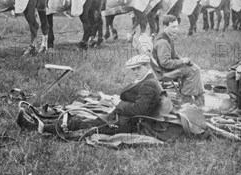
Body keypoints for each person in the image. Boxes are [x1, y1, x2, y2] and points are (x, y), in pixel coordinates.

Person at [18, 54, 164, 135]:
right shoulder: (149, 81)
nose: (136, 72)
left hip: (126, 124)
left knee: (83, 123)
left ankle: (39, 127)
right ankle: (42, 120)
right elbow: (138, 102)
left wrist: (118, 103)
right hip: (123, 118)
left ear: (147, 67)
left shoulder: (149, 85)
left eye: (138, 68)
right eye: (133, 70)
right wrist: (113, 99)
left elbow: (140, 110)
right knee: (83, 117)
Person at [151, 15, 205, 105]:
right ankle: (186, 98)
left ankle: (199, 96)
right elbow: (165, 63)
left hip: (167, 68)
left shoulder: (168, 37)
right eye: (173, 27)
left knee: (195, 67)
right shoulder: (163, 42)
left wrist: (181, 59)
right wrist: (182, 62)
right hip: (164, 71)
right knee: (192, 70)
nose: (176, 29)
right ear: (165, 27)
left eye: (177, 26)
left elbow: (173, 55)